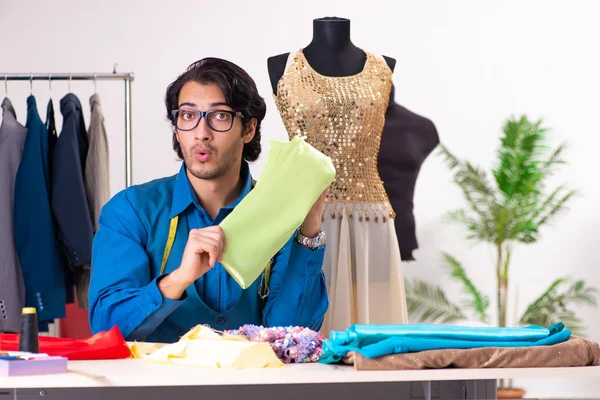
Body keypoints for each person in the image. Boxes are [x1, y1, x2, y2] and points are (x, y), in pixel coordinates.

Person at [88, 58, 329, 343]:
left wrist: (310, 227)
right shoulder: (131, 211)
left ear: (249, 129)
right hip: (157, 385)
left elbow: (291, 335)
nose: (201, 133)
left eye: (220, 116)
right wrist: (178, 279)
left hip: (252, 383)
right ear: (177, 128)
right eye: (188, 116)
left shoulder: (280, 215)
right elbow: (106, 328)